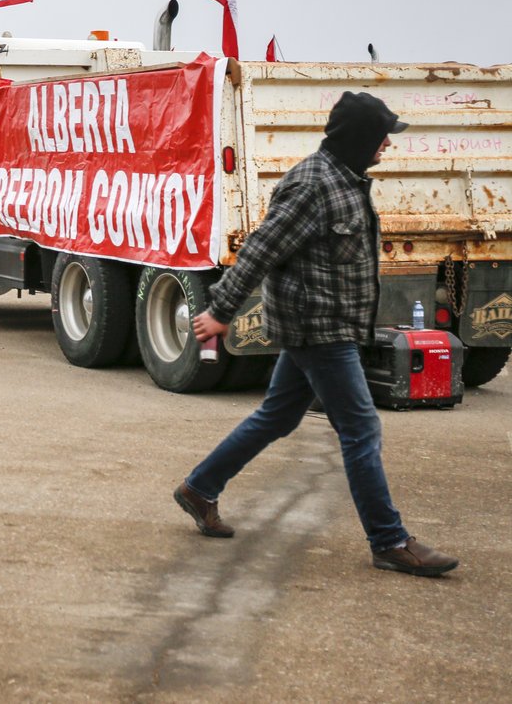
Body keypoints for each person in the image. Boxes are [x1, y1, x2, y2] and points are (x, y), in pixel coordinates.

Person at [174, 91, 458, 577]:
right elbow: (262, 249)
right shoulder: (313, 185)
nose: (387, 144)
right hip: (318, 329)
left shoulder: (345, 180)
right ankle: (389, 541)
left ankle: (200, 488)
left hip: (327, 324)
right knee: (361, 428)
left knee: (277, 416)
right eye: (381, 135)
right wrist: (221, 310)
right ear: (359, 138)